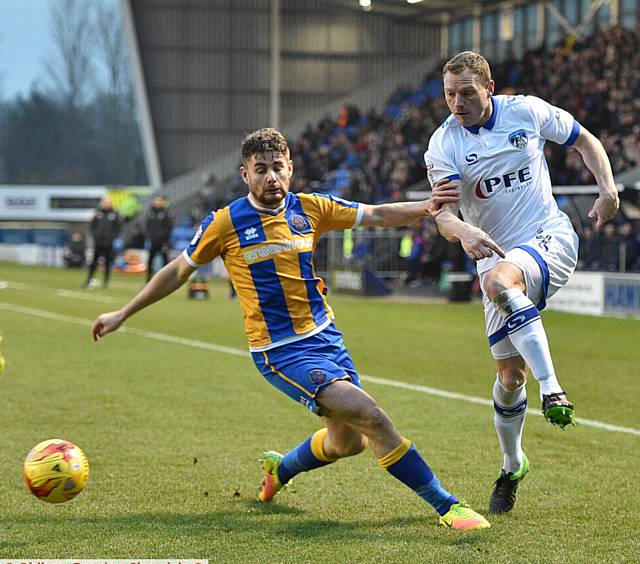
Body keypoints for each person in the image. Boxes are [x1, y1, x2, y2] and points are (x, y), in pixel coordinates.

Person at [92, 128, 502, 531]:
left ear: (290, 168)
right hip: (281, 351)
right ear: (244, 175)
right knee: (371, 416)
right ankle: (448, 506)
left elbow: (375, 214)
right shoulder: (225, 223)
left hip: (326, 337)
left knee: (348, 443)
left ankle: (280, 468)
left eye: (277, 167)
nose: (271, 177)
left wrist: (427, 207)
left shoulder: (309, 207)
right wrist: (123, 313)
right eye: (260, 169)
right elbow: (179, 271)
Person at [425, 51, 619, 514]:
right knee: (510, 377)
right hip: (491, 252)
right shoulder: (444, 144)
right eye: (450, 94)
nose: (457, 102)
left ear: (489, 88)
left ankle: (553, 389)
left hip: (548, 236)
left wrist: (607, 189)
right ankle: (513, 465)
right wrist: (463, 230)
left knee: (498, 283)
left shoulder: (526, 111)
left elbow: (584, 139)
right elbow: (443, 214)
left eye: (467, 92)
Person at [84, 196, 122, 289]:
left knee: (108, 263)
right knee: (94, 262)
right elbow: (92, 227)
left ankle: (105, 282)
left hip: (109, 243)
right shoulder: (98, 214)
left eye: (108, 202)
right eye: (105, 202)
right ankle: (89, 279)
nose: (107, 204)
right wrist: (96, 237)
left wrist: (111, 238)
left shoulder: (114, 215)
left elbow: (118, 228)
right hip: (98, 242)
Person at [145, 195, 174, 282]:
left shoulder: (167, 213)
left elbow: (169, 227)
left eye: (159, 200)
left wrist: (164, 238)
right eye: (156, 200)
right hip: (153, 241)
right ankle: (148, 279)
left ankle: (165, 280)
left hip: (163, 241)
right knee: (150, 260)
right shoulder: (150, 213)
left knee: (165, 261)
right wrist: (150, 237)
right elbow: (147, 226)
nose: (158, 202)